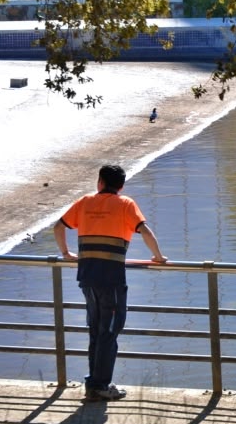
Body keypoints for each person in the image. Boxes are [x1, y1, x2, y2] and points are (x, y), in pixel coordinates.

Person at [53, 164, 167, 402]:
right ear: (121, 186)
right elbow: (144, 230)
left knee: (96, 330)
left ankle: (93, 383)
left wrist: (66, 253)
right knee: (110, 331)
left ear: (100, 182)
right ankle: (101, 385)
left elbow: (58, 227)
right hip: (111, 279)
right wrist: (157, 257)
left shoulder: (85, 201)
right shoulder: (125, 204)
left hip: (86, 277)